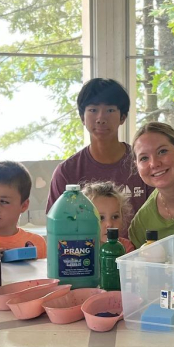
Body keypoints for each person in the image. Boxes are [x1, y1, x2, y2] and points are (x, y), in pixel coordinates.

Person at [45, 78, 150, 238]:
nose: (101, 118)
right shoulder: (67, 172)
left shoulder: (143, 163)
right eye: (93, 110)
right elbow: (57, 227)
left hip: (138, 256)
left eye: (110, 110)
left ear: (123, 117)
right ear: (82, 117)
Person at [82, 181, 136, 253]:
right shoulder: (76, 249)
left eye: (115, 217)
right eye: (101, 218)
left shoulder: (126, 248)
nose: (109, 224)